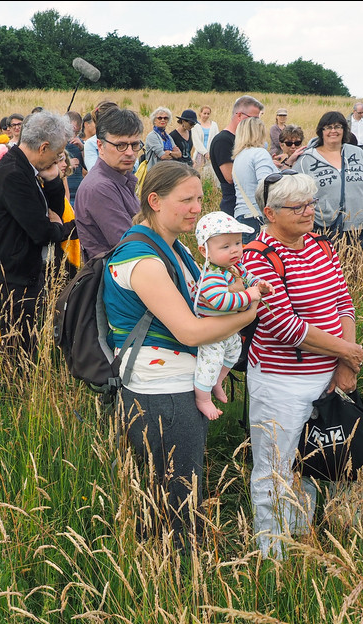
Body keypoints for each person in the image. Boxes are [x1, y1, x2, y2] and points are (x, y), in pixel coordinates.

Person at [105, 162, 258, 549]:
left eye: (200, 198)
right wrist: (250, 311)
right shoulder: (143, 259)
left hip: (173, 388)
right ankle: (179, 580)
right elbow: (189, 330)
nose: (196, 208)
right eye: (185, 199)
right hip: (163, 393)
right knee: (179, 499)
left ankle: (166, 571)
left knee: (170, 489)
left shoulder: (174, 249)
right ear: (154, 201)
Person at [240, 172, 360, 561]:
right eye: (298, 207)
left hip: (328, 377)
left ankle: (301, 532)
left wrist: (345, 364)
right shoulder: (257, 256)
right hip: (281, 382)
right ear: (270, 213)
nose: (310, 212)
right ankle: (273, 552)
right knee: (274, 469)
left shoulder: (320, 246)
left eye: (311, 203)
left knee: (312, 460)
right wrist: (346, 350)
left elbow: (344, 302)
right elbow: (284, 326)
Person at [0, 112, 74, 375]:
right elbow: (42, 231)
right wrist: (62, 228)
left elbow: (52, 210)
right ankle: (14, 405)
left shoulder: (26, 168)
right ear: (43, 147)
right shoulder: (13, 174)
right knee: (19, 356)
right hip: (12, 281)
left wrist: (54, 179)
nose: (59, 158)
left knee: (28, 349)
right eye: (57, 153)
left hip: (25, 275)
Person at [191, 211, 272, 420]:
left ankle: (218, 381)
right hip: (211, 329)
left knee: (234, 351)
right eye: (225, 246)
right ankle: (203, 398)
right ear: (205, 251)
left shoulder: (234, 268)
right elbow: (220, 301)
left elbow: (249, 277)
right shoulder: (212, 275)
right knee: (210, 360)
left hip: (227, 329)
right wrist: (249, 295)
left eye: (238, 243)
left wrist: (258, 284)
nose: (235, 250)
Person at [292, 111, 363, 252]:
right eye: (328, 127)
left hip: (358, 227)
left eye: (338, 126)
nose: (333, 131)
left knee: (354, 269)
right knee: (324, 270)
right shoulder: (306, 160)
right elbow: (293, 192)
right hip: (322, 227)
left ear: (344, 130)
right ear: (321, 131)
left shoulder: (357, 153)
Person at [74, 107, 142, 260]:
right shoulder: (100, 187)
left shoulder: (120, 177)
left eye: (135, 145)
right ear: (100, 146)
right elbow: (130, 244)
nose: (130, 153)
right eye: (121, 145)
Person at [211, 95, 263, 214]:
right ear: (239, 115)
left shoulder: (239, 140)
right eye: (253, 119)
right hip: (234, 205)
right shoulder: (223, 140)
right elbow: (230, 177)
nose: (256, 123)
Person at [230, 117, 278, 242]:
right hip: (257, 218)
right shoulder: (259, 153)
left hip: (242, 216)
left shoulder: (239, 157)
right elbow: (267, 186)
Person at [64, 110, 86, 198]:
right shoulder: (56, 143)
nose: (73, 136)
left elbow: (88, 166)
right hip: (64, 192)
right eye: (72, 131)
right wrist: (68, 163)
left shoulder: (80, 143)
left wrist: (82, 148)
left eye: (77, 133)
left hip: (79, 192)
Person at [192, 105, 218, 171]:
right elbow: (196, 141)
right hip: (200, 153)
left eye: (208, 114)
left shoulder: (214, 125)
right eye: (204, 113)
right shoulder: (195, 125)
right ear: (200, 113)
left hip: (211, 153)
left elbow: (217, 139)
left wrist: (212, 152)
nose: (206, 115)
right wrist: (205, 152)